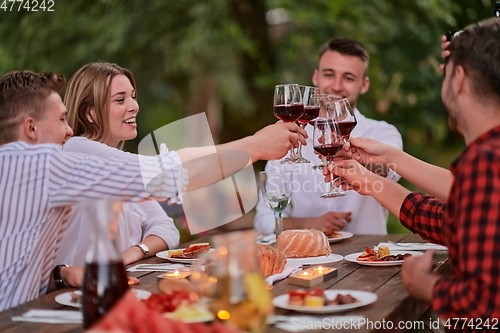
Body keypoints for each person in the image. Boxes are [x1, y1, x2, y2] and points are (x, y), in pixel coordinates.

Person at [0, 70, 307, 311]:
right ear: (31, 128)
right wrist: (254, 146)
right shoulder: (48, 162)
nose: (68, 130)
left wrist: (61, 273)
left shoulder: (21, 168)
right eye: (62, 119)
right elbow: (165, 176)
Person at [330, 18, 500, 324]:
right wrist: (370, 180)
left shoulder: (485, 160)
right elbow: (454, 224)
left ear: (459, 79)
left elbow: (482, 310)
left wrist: (424, 286)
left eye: (444, 71)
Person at [254, 38, 403, 235]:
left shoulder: (382, 133)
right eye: (329, 74)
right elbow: (263, 219)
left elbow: (390, 171)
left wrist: (353, 160)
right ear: (316, 77)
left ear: (364, 85)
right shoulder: (287, 142)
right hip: (306, 259)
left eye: (348, 78)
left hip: (369, 258)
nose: (336, 86)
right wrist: (308, 223)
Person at [55, 63, 179, 267]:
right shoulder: (77, 150)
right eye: (120, 100)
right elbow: (161, 172)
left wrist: (135, 251)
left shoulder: (120, 165)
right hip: (72, 293)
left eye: (133, 96)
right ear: (91, 113)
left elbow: (167, 228)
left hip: (116, 284)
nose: (134, 106)